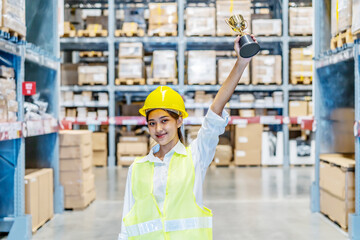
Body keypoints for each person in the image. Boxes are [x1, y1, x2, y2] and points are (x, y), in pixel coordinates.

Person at [118, 35, 257, 240]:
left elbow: (215, 112)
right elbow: (126, 225)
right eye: (152, 123)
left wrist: (241, 62)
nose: (158, 128)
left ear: (179, 121)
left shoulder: (195, 158)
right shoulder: (136, 169)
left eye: (165, 120)